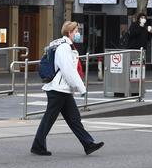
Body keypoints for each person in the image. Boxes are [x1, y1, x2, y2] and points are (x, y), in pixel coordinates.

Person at [31, 21, 104, 156]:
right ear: (69, 32)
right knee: (50, 118)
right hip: (58, 89)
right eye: (76, 31)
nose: (78, 33)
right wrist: (81, 88)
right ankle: (38, 146)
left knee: (73, 119)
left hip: (62, 89)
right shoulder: (64, 48)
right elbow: (68, 70)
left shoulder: (66, 46)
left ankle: (88, 144)